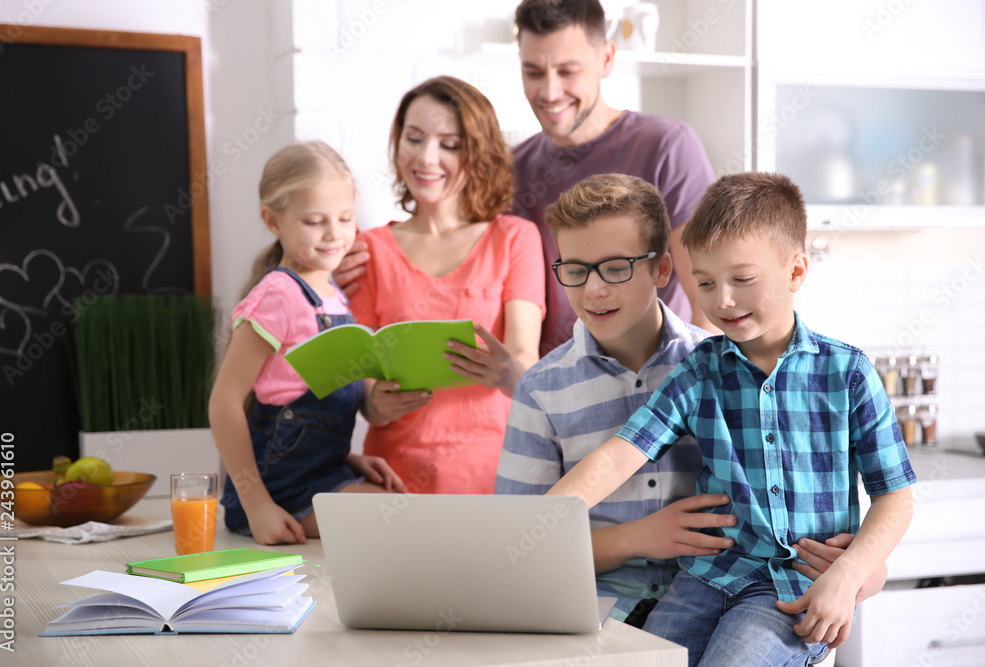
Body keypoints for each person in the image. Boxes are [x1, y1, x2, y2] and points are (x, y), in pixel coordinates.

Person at [545, 172, 916, 665]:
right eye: (705, 282)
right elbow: (618, 458)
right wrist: (544, 519)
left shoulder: (846, 372)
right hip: (707, 577)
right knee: (645, 659)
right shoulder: (699, 370)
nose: (721, 300)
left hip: (793, 588)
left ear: (795, 273)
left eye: (742, 280)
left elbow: (896, 496)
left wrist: (847, 576)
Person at [348, 76, 546, 494]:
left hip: (492, 477)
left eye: (449, 144)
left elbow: (527, 360)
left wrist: (506, 371)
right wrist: (373, 402)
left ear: (478, 153)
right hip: (390, 481)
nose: (426, 157)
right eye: (414, 138)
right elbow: (361, 379)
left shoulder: (514, 238)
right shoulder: (369, 249)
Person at [209, 141, 406, 546]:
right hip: (279, 491)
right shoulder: (277, 296)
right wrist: (257, 506)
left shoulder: (333, 294)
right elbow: (224, 403)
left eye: (346, 218)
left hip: (321, 474)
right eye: (315, 221)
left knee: (402, 511)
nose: (335, 234)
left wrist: (349, 459)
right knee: (399, 522)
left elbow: (296, 396)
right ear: (273, 221)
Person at [512, 0, 717, 354]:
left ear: (606, 59)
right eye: (533, 72)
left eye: (567, 71)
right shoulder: (514, 166)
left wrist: (690, 397)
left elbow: (709, 299)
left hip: (659, 391)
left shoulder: (667, 147)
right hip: (558, 394)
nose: (549, 92)